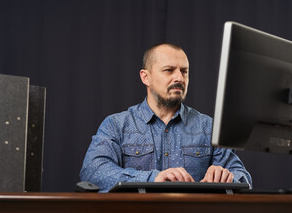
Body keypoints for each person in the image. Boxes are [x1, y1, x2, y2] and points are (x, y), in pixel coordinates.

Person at [80, 43, 252, 192]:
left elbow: (243, 177)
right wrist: (152, 179)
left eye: (184, 71)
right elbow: (93, 171)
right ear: (145, 77)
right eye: (169, 70)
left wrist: (227, 176)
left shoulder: (208, 127)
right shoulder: (116, 125)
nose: (179, 78)